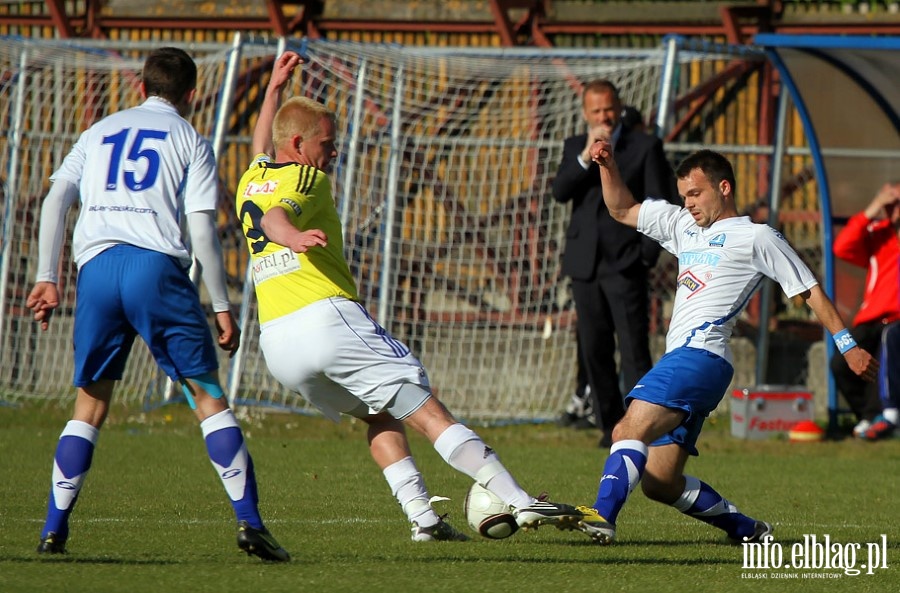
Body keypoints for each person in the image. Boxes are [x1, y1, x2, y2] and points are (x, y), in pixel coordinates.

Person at [234, 51, 582, 542]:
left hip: (278, 344)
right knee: (423, 407)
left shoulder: (254, 175)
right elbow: (276, 219)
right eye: (327, 144)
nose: (334, 154)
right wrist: (292, 236)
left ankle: (423, 520)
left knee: (379, 414)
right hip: (325, 319)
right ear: (297, 144)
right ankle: (520, 500)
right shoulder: (307, 178)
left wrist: (273, 90)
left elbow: (262, 149)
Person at [26, 47, 289, 562]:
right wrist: (221, 304)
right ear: (191, 95)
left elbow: (56, 199)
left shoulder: (98, 131)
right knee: (207, 394)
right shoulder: (191, 139)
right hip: (155, 270)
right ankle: (251, 524)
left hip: (97, 269)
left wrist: (46, 277)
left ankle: (53, 530)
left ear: (141, 87)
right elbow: (201, 230)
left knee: (91, 403)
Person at [573, 144, 878, 545]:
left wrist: (847, 345)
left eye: (696, 194)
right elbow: (621, 210)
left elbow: (810, 290)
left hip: (700, 356)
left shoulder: (756, 237)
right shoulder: (683, 225)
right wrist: (609, 166)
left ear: (724, 187)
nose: (689, 204)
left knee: (628, 427)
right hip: (693, 364)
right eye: (683, 196)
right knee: (660, 481)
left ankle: (602, 517)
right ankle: (746, 529)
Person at [551, 82, 679, 447]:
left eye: (608, 109)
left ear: (619, 107)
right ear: (586, 114)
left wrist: (644, 257)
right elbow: (560, 192)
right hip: (584, 265)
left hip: (625, 265)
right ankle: (610, 428)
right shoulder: (575, 147)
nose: (604, 117)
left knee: (634, 348)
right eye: (596, 112)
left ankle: (641, 427)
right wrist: (585, 159)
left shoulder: (644, 146)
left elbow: (660, 202)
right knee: (594, 349)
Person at [831, 181, 900, 439]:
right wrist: (874, 207)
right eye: (892, 205)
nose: (896, 211)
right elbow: (842, 248)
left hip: (896, 321)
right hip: (872, 317)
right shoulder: (878, 234)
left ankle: (881, 420)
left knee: (886, 350)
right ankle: (869, 419)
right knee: (841, 363)